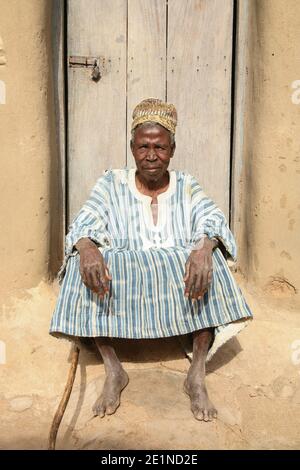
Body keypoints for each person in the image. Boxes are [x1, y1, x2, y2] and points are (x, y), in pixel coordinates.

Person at [50, 98, 252, 422]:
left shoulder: (187, 184)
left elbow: (214, 220)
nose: (151, 155)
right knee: (79, 262)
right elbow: (83, 223)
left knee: (213, 262)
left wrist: (204, 248)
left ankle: (196, 374)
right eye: (143, 146)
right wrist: (87, 247)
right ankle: (113, 369)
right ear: (132, 148)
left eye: (160, 147)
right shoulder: (112, 182)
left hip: (177, 279)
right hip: (126, 278)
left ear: (172, 149)